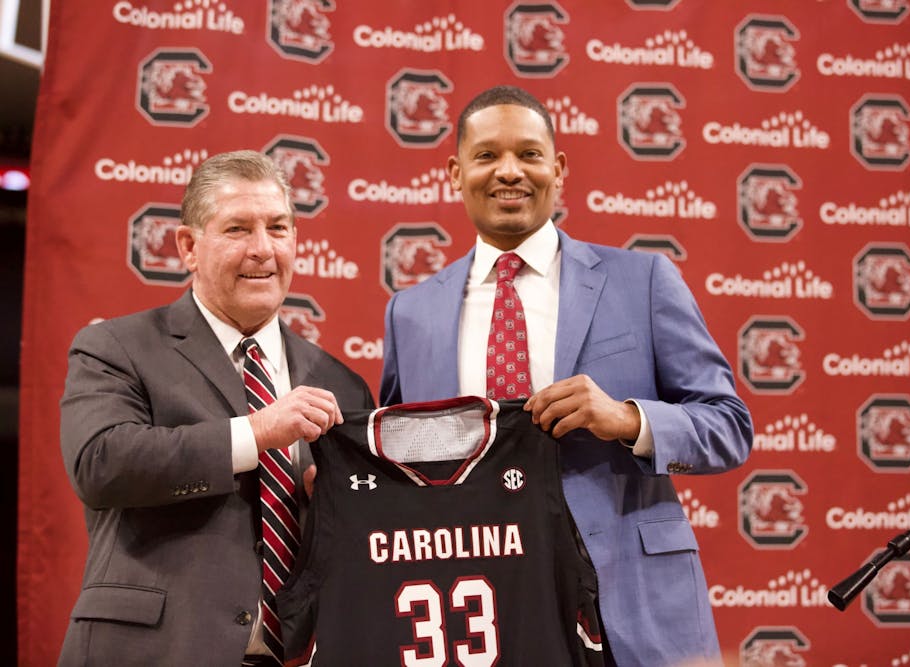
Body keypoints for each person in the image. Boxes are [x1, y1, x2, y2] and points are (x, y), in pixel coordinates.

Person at [379, 85, 752, 666]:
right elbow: (396, 463)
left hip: (629, 606)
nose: (509, 171)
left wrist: (628, 420)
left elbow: (729, 428)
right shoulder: (411, 313)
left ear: (558, 168)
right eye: (486, 155)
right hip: (479, 610)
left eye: (529, 154)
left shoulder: (643, 281)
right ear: (455, 173)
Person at [58, 150, 373, 666]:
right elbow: (101, 465)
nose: (263, 249)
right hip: (153, 653)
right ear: (188, 246)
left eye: (278, 228)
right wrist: (256, 433)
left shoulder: (342, 384)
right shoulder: (116, 347)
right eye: (237, 229)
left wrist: (336, 509)